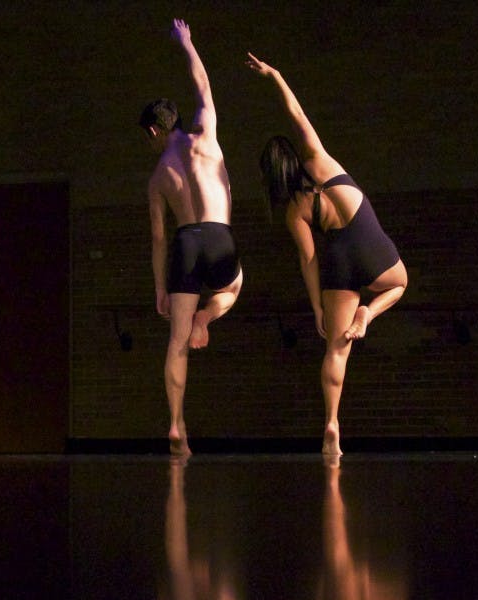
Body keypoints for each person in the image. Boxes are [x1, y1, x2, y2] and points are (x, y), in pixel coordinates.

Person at [248, 54, 408, 457]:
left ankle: (331, 423)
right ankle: (370, 313)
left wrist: (318, 306)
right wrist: (277, 75)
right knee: (400, 283)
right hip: (366, 236)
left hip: (337, 257)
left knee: (337, 349)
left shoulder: (293, 210)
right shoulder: (319, 160)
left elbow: (309, 260)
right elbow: (296, 112)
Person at [139, 19, 243, 456]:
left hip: (184, 245)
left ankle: (177, 425)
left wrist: (161, 287)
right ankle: (207, 317)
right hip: (219, 236)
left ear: (153, 132)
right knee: (234, 286)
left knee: (176, 341)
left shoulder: (158, 175)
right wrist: (187, 43)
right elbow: (202, 82)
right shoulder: (206, 134)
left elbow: (159, 239)